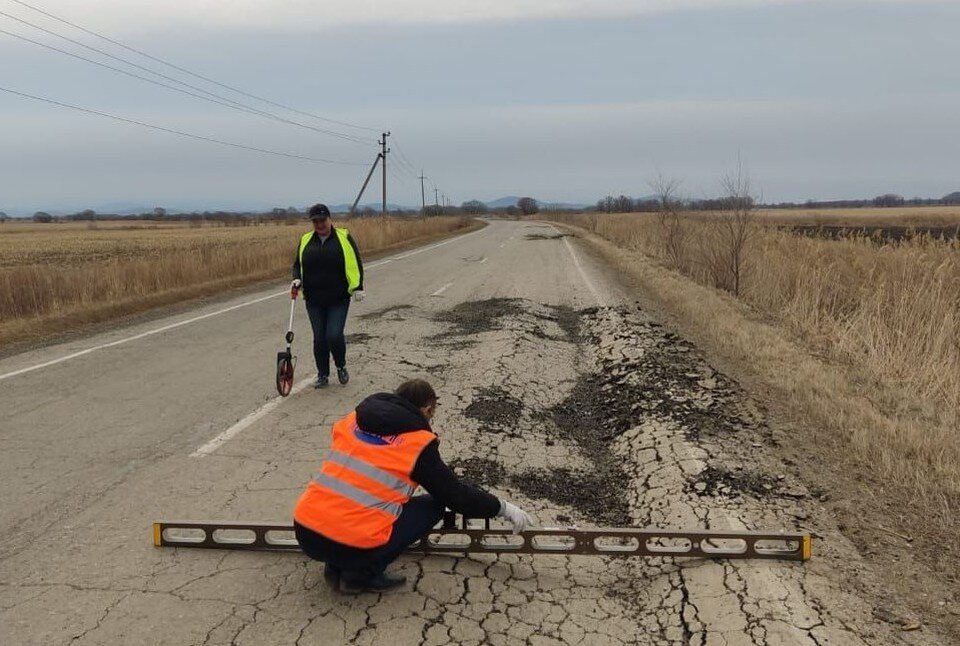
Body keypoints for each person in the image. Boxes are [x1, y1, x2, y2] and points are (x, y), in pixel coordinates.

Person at [292, 379, 534, 593]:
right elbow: (456, 496)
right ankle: (360, 574)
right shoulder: (417, 444)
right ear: (427, 409)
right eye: (432, 414)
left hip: (306, 531)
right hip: (353, 543)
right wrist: (502, 508)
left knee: (358, 505)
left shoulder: (353, 420)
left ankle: (335, 564)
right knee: (436, 504)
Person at [291, 203, 364, 388]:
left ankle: (341, 366)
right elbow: (297, 264)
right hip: (314, 299)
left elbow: (355, 262)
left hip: (338, 298)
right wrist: (297, 279)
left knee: (333, 335)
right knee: (319, 338)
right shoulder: (306, 239)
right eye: (315, 221)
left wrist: (358, 287)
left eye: (322, 220)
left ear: (330, 219)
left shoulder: (343, 237)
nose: (319, 224)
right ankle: (323, 374)